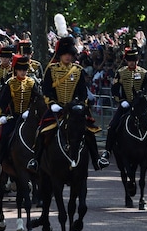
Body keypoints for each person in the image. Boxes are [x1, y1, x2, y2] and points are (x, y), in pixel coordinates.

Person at [28, 36, 107, 172]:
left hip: (75, 109)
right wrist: (52, 103)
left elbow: (82, 91)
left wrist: (80, 104)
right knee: (42, 131)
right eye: (65, 54)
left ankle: (96, 159)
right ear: (60, 55)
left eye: (70, 54)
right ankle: (36, 160)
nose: (68, 57)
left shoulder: (77, 70)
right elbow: (47, 90)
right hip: (56, 109)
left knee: (89, 131)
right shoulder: (51, 70)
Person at [102, 47, 147, 164]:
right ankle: (107, 151)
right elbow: (114, 90)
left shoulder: (143, 73)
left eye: (134, 60)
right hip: (126, 104)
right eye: (130, 60)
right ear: (126, 61)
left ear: (137, 60)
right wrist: (121, 100)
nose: (132, 62)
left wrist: (143, 99)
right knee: (112, 126)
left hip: (140, 106)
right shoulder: (120, 72)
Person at [0, 55, 37, 174]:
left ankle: (36, 161)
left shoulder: (32, 83)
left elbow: (37, 100)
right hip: (13, 117)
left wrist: (29, 111)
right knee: (3, 135)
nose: (23, 72)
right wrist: (2, 115)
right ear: (16, 70)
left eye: (25, 70)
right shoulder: (10, 83)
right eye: (20, 70)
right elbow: (3, 102)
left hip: (28, 117)